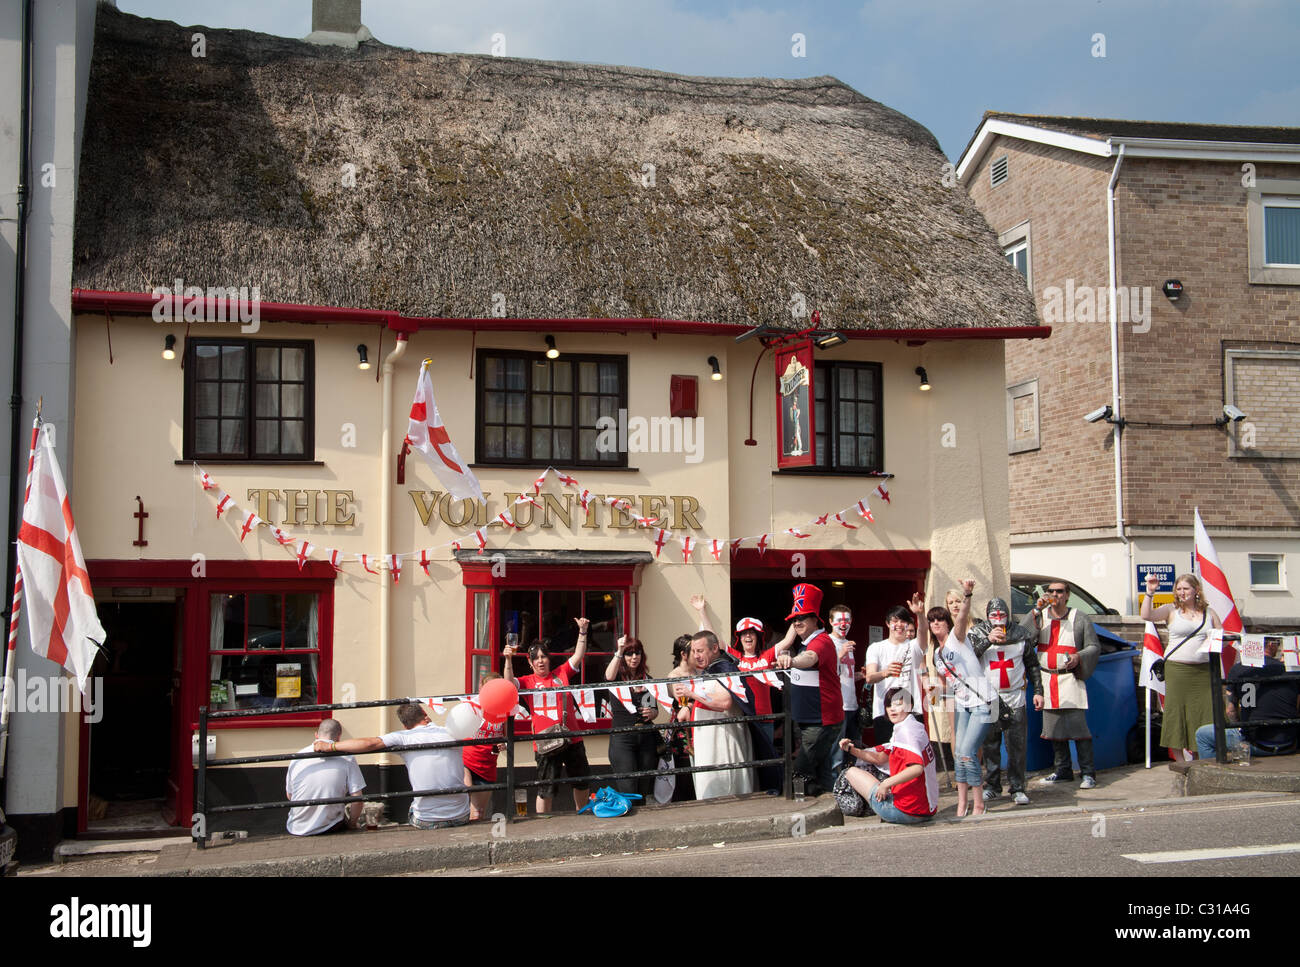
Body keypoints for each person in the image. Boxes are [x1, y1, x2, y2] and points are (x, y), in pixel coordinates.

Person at [314, 702, 469, 829]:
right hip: (461, 815)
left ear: (405, 725)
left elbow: (369, 743)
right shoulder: (450, 733)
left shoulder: (404, 736)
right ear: (425, 716)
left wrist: (332, 747)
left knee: (413, 809)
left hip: (427, 819)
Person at [503, 616, 592, 813]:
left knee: (581, 781)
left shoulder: (561, 673)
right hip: (545, 741)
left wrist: (583, 631)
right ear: (530, 661)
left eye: (544, 656)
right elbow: (508, 684)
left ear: (549, 659)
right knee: (546, 788)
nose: (541, 661)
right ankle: (543, 825)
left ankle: (583, 815)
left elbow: (578, 655)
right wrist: (508, 660)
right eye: (536, 658)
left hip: (571, 737)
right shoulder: (527, 681)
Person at [1024, 580, 1100, 787]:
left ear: (1067, 595)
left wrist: (1079, 657)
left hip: (1070, 678)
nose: (1055, 595)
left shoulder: (1079, 617)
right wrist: (1035, 612)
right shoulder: (1040, 616)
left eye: (1059, 591)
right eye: (1051, 591)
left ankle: (1088, 773)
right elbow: (1023, 637)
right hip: (1047, 679)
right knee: (1054, 729)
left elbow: (1093, 646)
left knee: (1078, 728)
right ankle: (1062, 770)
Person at [968, 591, 1039, 805]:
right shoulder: (978, 632)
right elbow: (969, 660)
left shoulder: (1021, 634)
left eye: (1001, 613)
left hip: (1015, 696)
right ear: (987, 615)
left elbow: (1032, 665)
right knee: (990, 745)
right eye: (993, 614)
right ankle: (993, 785)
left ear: (1008, 614)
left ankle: (1017, 787)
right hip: (989, 697)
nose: (998, 617)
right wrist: (987, 642)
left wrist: (1039, 692)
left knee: (1016, 744)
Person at [1141, 572, 1221, 760]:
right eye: (1178, 589)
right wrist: (1150, 592)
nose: (1182, 592)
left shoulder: (1209, 613)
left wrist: (1216, 641)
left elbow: (1221, 637)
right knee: (1176, 711)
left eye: (1186, 588)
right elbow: (1147, 615)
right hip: (1177, 669)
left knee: (1204, 711)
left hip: (1202, 671)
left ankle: (1203, 755)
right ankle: (1180, 761)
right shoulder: (1171, 610)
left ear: (1196, 590)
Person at [930, 581, 992, 817]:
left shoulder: (958, 638)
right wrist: (933, 694)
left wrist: (967, 594)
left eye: (940, 619)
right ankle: (962, 801)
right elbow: (945, 684)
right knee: (959, 755)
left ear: (948, 623)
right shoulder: (937, 654)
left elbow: (963, 615)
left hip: (982, 702)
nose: (936, 623)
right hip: (963, 705)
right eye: (932, 620)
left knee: (967, 753)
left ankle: (978, 803)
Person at [775, 583, 843, 794]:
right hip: (808, 720)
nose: (797, 622)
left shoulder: (821, 641)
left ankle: (804, 806)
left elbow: (809, 658)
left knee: (801, 771)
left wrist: (791, 661)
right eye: (794, 619)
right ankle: (829, 805)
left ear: (816, 619)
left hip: (821, 721)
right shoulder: (805, 641)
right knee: (816, 771)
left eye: (802, 618)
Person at [837, 687, 939, 824]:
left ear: (909, 705)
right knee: (871, 768)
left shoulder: (906, 732)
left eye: (898, 704)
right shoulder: (915, 727)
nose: (892, 709)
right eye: (889, 705)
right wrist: (850, 749)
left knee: (849, 772)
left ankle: (866, 808)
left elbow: (916, 768)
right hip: (926, 809)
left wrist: (885, 784)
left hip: (907, 811)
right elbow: (879, 758)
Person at [675, 631, 754, 799]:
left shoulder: (723, 668)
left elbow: (725, 702)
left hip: (722, 741)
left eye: (700, 651)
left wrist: (692, 694)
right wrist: (690, 706)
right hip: (711, 741)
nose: (696, 656)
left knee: (724, 788)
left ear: (715, 648)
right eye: (694, 652)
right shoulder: (711, 669)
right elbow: (708, 696)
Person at [1195, 637, 1300, 759]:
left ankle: (1214, 771)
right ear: (1271, 644)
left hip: (1255, 743)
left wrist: (1241, 724)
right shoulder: (1292, 670)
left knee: (1202, 735)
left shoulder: (1238, 670)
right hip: (1288, 741)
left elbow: (1231, 711)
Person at [286, 718, 365, 835]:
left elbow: (290, 795)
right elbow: (357, 798)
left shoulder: (297, 757)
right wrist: (352, 824)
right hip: (330, 826)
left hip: (295, 827)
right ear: (339, 737)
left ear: (316, 735)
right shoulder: (347, 758)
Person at [864, 599, 927, 744]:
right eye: (895, 621)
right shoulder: (876, 647)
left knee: (912, 755)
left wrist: (920, 615)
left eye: (902, 621)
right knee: (887, 757)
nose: (899, 625)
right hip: (885, 711)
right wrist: (885, 672)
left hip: (912, 710)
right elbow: (869, 677)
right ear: (887, 624)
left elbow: (923, 632)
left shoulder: (913, 646)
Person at [604, 635, 660, 798]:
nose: (634, 657)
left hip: (646, 738)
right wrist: (619, 651)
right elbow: (608, 676)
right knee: (628, 787)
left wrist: (652, 713)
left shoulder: (647, 680)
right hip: (623, 739)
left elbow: (654, 709)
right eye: (630, 654)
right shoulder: (617, 678)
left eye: (638, 653)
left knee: (644, 788)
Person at [463, 671, 506, 821]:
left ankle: (472, 839)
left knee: (478, 813)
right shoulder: (472, 706)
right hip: (467, 760)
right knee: (466, 790)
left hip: (487, 764)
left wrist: (503, 743)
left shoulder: (503, 708)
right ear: (482, 688)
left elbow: (505, 735)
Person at [828, 604, 861, 771]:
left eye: (847, 620)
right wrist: (840, 654)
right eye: (839, 620)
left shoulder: (848, 642)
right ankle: (834, 782)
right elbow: (826, 672)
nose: (843, 624)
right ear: (830, 621)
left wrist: (861, 676)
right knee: (837, 749)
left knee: (854, 747)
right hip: (838, 705)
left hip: (851, 703)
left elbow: (845, 674)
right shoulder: (827, 642)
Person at [665, 633, 697, 802]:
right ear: (683, 654)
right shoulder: (674, 676)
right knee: (684, 766)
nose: (697, 654)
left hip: (698, 722)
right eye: (693, 651)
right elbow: (683, 702)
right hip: (683, 727)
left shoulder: (700, 672)